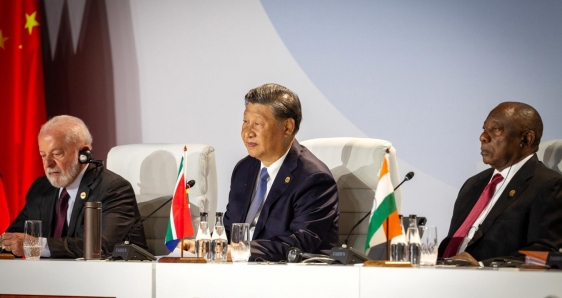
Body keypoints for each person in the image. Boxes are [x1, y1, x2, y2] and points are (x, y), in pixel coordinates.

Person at [182, 83, 340, 261]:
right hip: (239, 274)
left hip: (292, 278)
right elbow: (228, 229)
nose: (247, 132)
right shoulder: (244, 169)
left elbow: (299, 243)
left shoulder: (313, 179)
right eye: (245, 122)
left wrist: (237, 253)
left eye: (257, 124)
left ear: (287, 127)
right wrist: (206, 246)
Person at [1, 115, 147, 258]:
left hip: (104, 278)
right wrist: (8, 243)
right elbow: (13, 238)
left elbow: (100, 246)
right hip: (48, 277)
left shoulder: (113, 189)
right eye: (43, 155)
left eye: (57, 154)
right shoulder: (41, 188)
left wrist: (36, 245)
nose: (48, 164)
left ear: (83, 153)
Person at [438, 102, 562, 265]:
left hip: (495, 284)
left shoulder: (548, 185)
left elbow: (544, 254)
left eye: (495, 130)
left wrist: (483, 265)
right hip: (442, 275)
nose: (483, 137)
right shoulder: (473, 184)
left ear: (526, 139)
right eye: (484, 129)